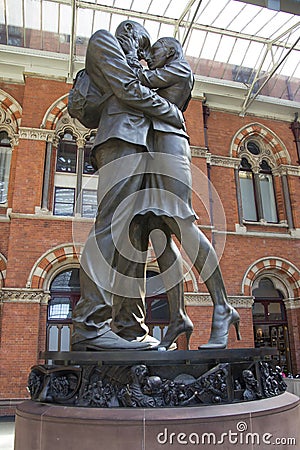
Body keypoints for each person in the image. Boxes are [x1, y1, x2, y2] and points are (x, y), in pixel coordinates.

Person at [72, 22, 186, 351]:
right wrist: (172, 113)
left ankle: (129, 327)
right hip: (119, 140)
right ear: (132, 36)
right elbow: (128, 91)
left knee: (133, 238)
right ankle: (90, 323)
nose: (143, 59)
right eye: (142, 49)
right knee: (111, 226)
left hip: (141, 146)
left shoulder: (132, 62)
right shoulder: (104, 42)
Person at [129, 37, 241, 349]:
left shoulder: (178, 67)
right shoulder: (167, 68)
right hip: (154, 149)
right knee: (158, 233)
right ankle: (178, 315)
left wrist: (121, 59)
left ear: (171, 49)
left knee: (182, 222)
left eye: (156, 50)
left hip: (171, 147)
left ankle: (223, 306)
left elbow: (139, 80)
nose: (151, 57)